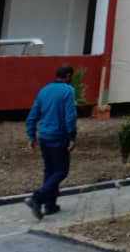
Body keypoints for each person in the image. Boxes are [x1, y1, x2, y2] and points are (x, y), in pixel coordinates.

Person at [24, 66, 77, 220]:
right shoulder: (68, 91)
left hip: (44, 137)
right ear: (68, 76)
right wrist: (72, 137)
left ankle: (50, 205)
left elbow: (32, 115)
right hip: (59, 137)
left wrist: (31, 136)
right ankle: (37, 198)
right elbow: (70, 116)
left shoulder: (44, 90)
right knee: (61, 171)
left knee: (50, 171)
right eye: (71, 77)